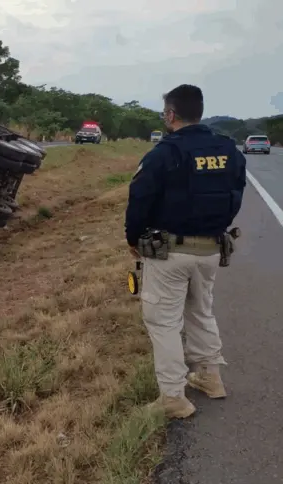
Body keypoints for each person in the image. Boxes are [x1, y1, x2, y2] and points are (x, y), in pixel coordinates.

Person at [125, 84, 246, 419]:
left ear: (170, 114)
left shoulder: (164, 153)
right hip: (210, 249)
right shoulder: (228, 149)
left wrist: (133, 238)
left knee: (163, 322)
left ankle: (173, 397)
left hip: (168, 254)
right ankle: (210, 378)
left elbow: (139, 200)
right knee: (201, 311)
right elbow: (237, 193)